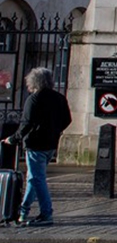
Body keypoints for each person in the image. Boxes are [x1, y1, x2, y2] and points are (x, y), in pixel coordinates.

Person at [2, 67, 71, 227]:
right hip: (50, 145)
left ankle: (46, 213)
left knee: (36, 178)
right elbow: (67, 119)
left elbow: (26, 124)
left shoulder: (34, 99)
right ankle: (23, 211)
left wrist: (13, 139)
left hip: (35, 144)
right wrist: (55, 130)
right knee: (33, 178)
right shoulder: (59, 98)